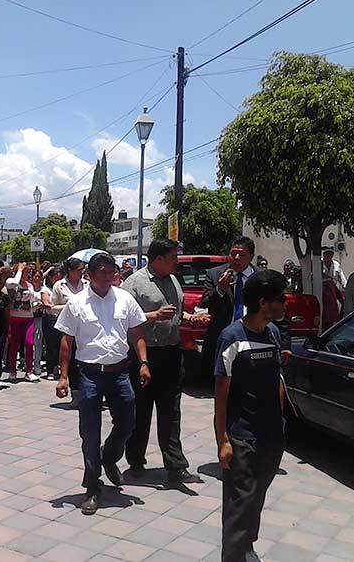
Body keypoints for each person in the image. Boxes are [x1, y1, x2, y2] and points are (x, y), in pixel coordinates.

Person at [54, 252, 150, 515]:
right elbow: (66, 341)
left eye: (112, 272)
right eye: (102, 273)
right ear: (90, 275)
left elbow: (137, 333)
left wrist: (143, 362)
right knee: (90, 430)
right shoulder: (76, 303)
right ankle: (92, 485)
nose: (108, 277)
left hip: (120, 372)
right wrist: (63, 376)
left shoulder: (125, 299)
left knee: (128, 421)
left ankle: (108, 457)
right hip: (89, 374)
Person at [122, 239, 210, 484]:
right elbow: (126, 320)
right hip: (144, 356)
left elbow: (177, 313)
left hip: (172, 353)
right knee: (141, 411)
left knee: (171, 411)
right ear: (159, 259)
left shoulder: (172, 281)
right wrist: (154, 316)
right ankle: (136, 460)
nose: (177, 262)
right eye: (173, 257)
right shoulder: (134, 284)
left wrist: (191, 319)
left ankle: (175, 465)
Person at [214, 269, 288, 562]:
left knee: (256, 499)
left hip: (271, 435)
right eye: (281, 298)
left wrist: (280, 423)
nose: (286, 303)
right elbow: (220, 394)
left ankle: (247, 547)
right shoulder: (231, 337)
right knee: (239, 504)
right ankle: (234, 554)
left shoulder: (273, 333)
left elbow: (277, 379)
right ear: (262, 302)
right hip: (242, 437)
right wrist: (223, 440)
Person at [201, 236, 257, 378]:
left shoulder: (261, 277)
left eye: (242, 254)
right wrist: (220, 289)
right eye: (233, 254)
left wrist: (284, 345)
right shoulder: (214, 275)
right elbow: (206, 303)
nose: (236, 258)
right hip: (225, 339)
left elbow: (277, 313)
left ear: (251, 257)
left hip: (253, 339)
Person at [50, 257, 88, 407]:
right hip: (67, 327)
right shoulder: (59, 286)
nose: (82, 272)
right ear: (71, 271)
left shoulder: (87, 284)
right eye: (79, 269)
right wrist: (69, 306)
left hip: (85, 327)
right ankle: (76, 394)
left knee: (84, 359)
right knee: (70, 360)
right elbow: (53, 308)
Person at [5, 263, 39, 382]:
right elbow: (13, 284)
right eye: (25, 271)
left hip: (28, 318)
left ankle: (29, 371)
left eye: (28, 272)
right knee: (14, 345)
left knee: (29, 343)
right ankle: (12, 371)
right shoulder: (12, 282)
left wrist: (36, 306)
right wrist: (19, 270)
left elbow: (32, 302)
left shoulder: (30, 286)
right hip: (14, 318)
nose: (27, 274)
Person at [30, 269, 50, 378]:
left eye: (38, 276)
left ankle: (36, 364)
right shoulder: (28, 288)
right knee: (29, 342)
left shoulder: (45, 290)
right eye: (35, 276)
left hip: (41, 318)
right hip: (29, 317)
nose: (36, 278)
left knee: (38, 341)